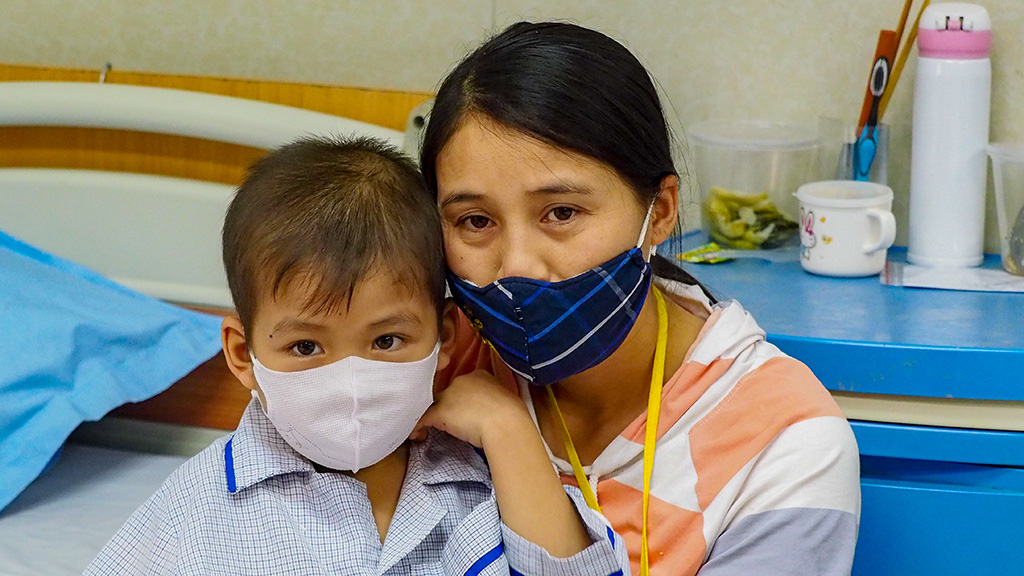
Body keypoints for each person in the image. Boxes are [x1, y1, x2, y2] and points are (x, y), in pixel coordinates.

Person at [420, 22, 861, 576]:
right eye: (475, 221)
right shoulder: (421, 361)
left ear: (663, 210)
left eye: (561, 213)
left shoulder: (783, 443)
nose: (517, 266)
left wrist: (509, 438)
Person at [84, 136, 629, 575]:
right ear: (243, 354)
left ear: (443, 336)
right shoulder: (193, 512)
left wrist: (507, 427)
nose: (350, 379)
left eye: (386, 341)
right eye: (306, 346)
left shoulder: (486, 486)